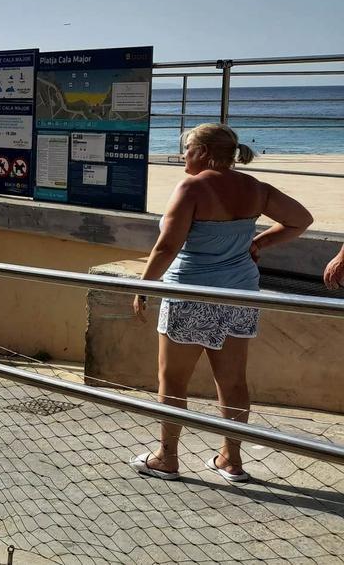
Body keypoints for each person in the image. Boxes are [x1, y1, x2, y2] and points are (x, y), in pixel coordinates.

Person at [130, 124, 312, 483]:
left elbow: (167, 246)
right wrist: (258, 244)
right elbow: (300, 220)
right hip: (239, 294)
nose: (183, 155)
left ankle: (167, 458)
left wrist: (143, 288)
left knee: (173, 379)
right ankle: (231, 459)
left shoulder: (193, 187)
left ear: (203, 153)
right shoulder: (255, 189)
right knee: (233, 382)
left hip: (192, 294)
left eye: (187, 148)